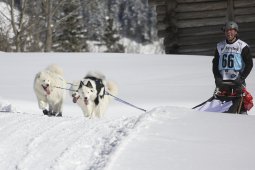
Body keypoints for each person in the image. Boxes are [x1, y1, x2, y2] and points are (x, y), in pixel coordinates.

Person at [212, 21, 253, 113]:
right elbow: (215, 63)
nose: (229, 33)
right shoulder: (220, 46)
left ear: (236, 32)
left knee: (240, 107)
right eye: (227, 30)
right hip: (222, 82)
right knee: (220, 106)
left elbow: (249, 64)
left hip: (237, 82)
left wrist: (242, 78)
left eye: (231, 30)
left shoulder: (242, 46)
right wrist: (217, 78)